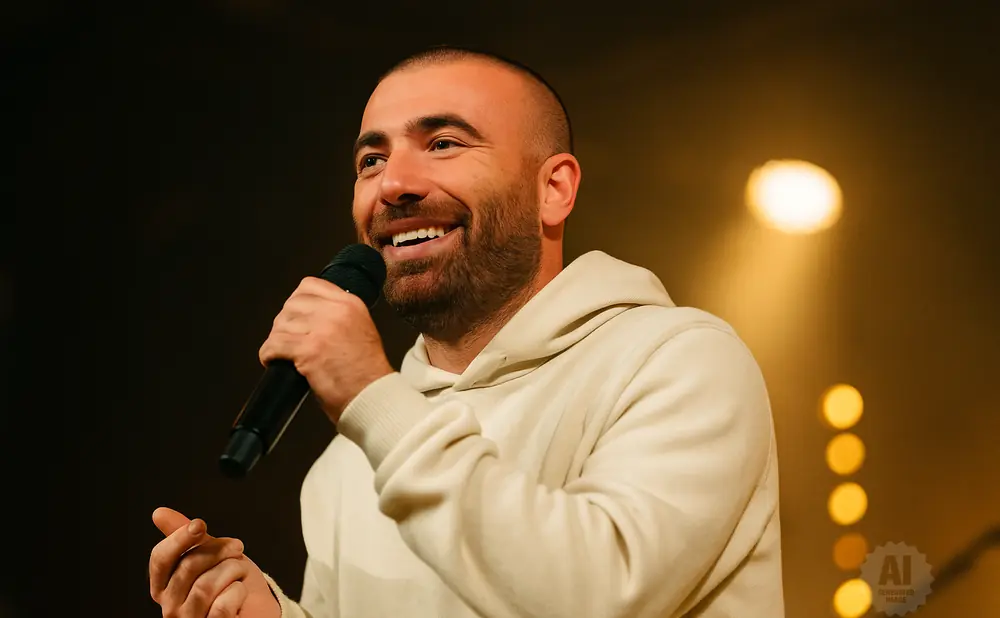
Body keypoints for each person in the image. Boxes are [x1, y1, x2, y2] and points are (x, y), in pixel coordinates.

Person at [148, 45, 784, 618]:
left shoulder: (678, 361)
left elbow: (597, 596)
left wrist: (372, 399)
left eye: (444, 143)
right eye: (372, 159)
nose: (393, 184)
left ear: (554, 189)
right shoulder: (347, 463)